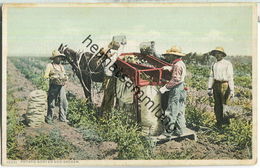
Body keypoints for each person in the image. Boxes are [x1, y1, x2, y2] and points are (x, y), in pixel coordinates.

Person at [159, 46, 188, 136]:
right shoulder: (180, 63)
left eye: (170, 55)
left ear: (173, 56)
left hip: (176, 88)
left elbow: (176, 79)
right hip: (182, 88)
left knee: (171, 109)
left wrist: (165, 87)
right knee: (179, 110)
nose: (168, 57)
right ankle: (180, 130)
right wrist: (170, 68)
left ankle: (168, 132)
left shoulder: (177, 65)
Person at [208, 47, 234, 126]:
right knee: (217, 104)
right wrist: (209, 88)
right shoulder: (214, 64)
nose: (217, 55)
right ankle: (219, 122)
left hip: (225, 85)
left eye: (219, 53)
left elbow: (230, 77)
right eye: (216, 53)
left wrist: (232, 90)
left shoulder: (227, 64)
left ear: (222, 54)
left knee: (225, 103)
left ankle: (226, 123)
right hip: (216, 85)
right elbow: (211, 76)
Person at [44, 50, 69, 124]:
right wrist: (53, 77)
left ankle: (63, 118)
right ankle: (49, 118)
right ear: (54, 58)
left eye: (60, 57)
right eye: (58, 57)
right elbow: (45, 76)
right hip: (53, 85)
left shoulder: (61, 66)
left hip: (61, 86)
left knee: (64, 102)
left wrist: (66, 77)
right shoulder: (50, 65)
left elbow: (64, 75)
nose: (59, 59)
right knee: (51, 102)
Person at [100, 41, 121, 117]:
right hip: (110, 77)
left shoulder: (110, 54)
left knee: (107, 96)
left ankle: (103, 112)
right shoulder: (113, 55)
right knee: (109, 96)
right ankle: (106, 115)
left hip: (108, 76)